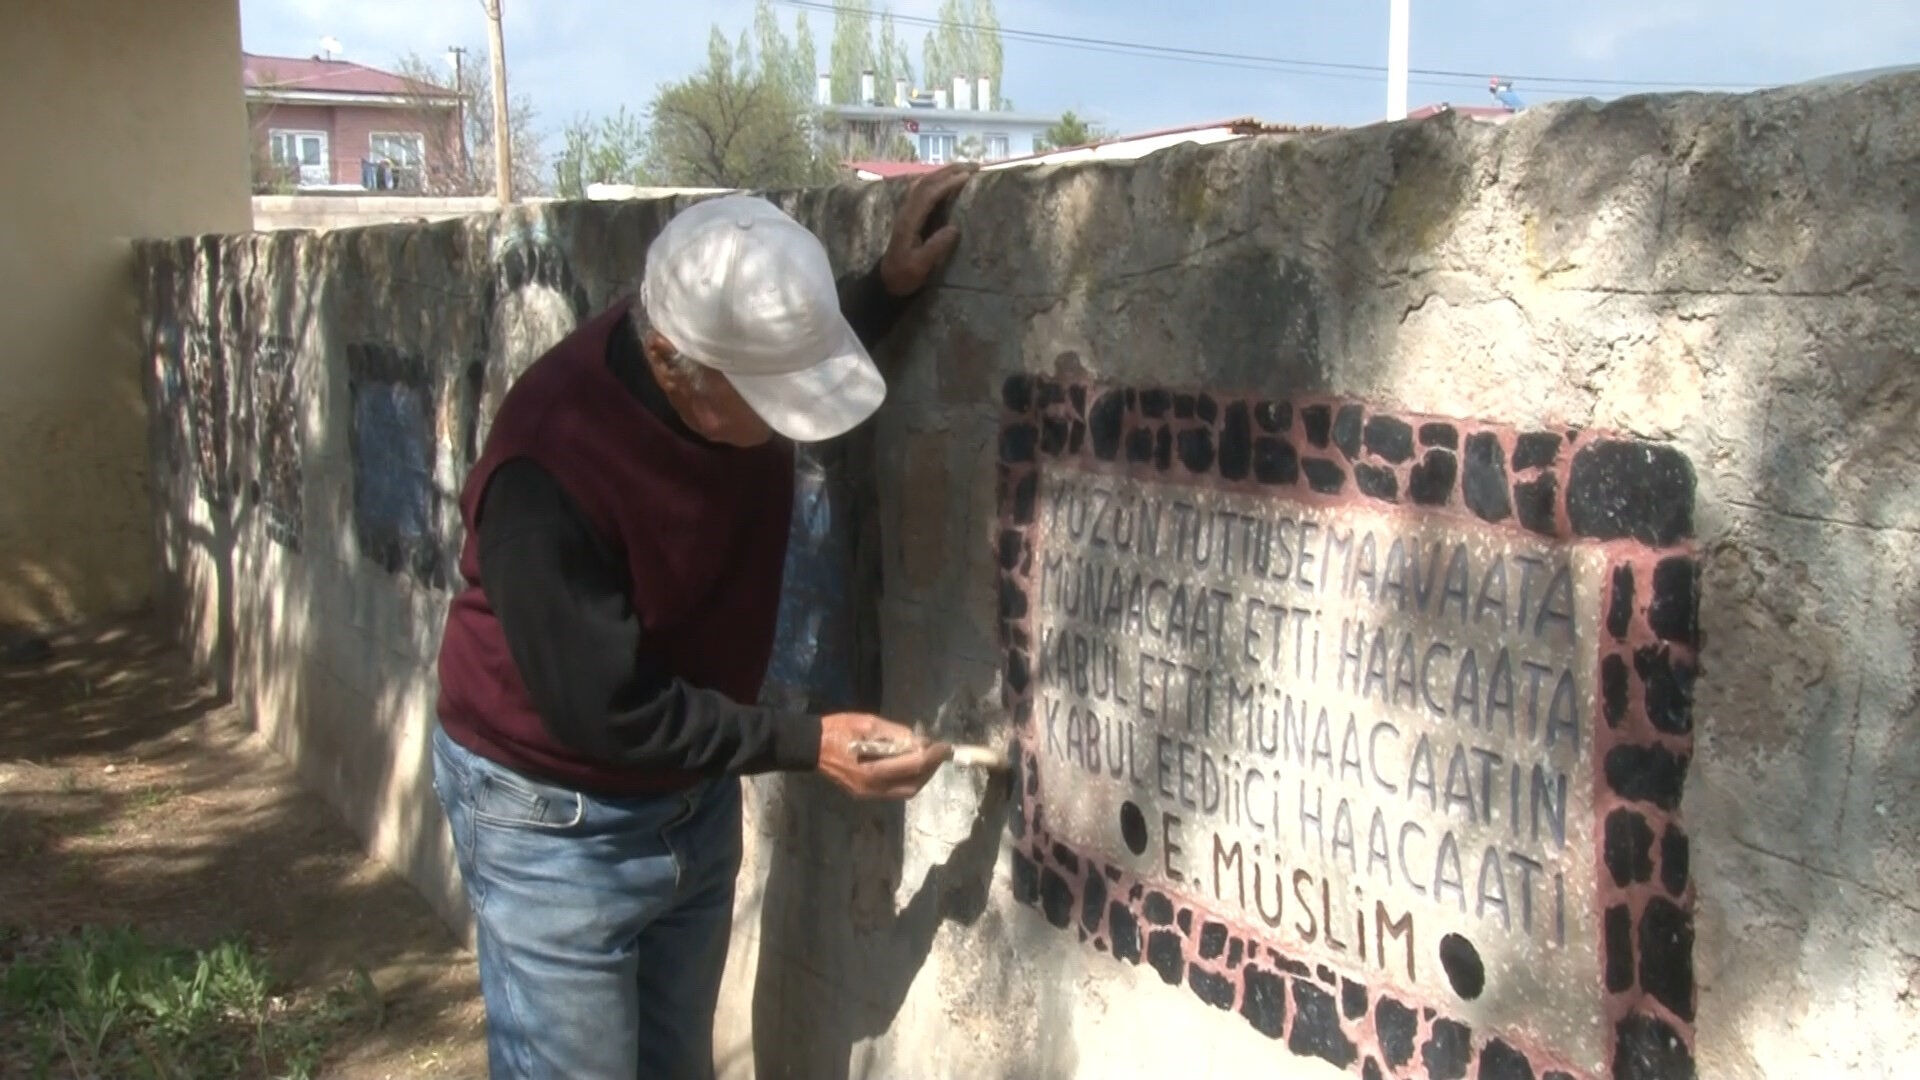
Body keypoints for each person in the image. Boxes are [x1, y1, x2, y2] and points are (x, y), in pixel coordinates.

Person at [430, 164, 975, 1079]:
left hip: (688, 791)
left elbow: (780, 355)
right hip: (550, 814)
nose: (790, 421)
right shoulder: (547, 470)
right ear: (674, 364)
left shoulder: (719, 375)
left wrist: (883, 289)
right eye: (770, 401)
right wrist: (812, 744)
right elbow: (608, 713)